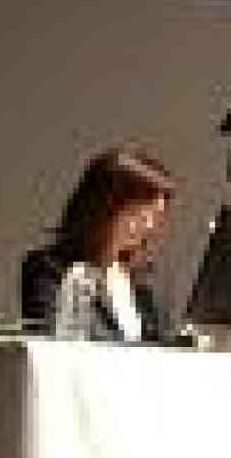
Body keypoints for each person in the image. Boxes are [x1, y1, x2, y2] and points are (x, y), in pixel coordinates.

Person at [19, 147, 178, 343]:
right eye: (139, 213)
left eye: (156, 217)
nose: (149, 226)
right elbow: (54, 344)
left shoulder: (145, 282)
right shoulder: (49, 269)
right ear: (103, 206)